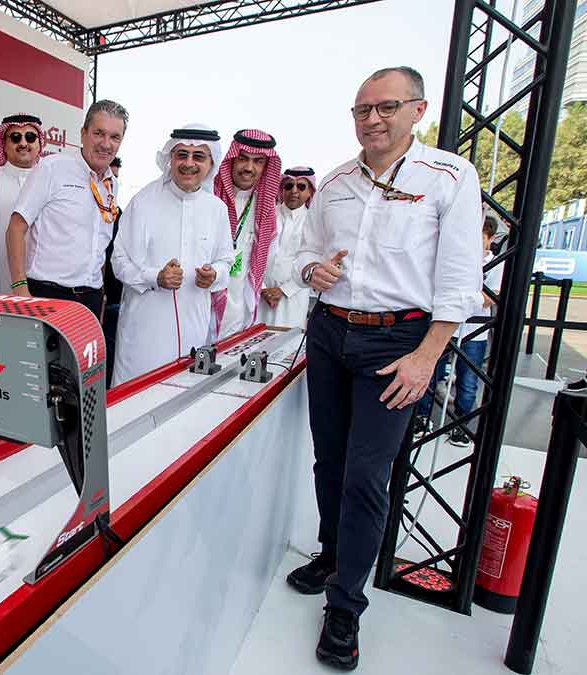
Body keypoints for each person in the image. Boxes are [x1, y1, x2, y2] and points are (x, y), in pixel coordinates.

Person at [287, 66, 483, 670]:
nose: (372, 119)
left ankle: (345, 604)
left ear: (417, 110)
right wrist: (309, 272)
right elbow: (303, 251)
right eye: (361, 109)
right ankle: (331, 554)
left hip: (396, 344)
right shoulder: (337, 180)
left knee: (368, 475)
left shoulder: (450, 176)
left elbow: (459, 280)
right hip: (328, 333)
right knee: (330, 458)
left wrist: (427, 356)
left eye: (385, 107)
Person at [111, 125, 234, 385]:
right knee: (135, 403)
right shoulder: (143, 202)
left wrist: (214, 275)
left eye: (198, 156)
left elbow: (226, 261)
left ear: (210, 163)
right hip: (144, 334)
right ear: (170, 159)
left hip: (194, 330)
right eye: (182, 155)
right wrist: (155, 276)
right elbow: (118, 262)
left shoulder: (217, 209)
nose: (189, 163)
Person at [6, 100, 128, 319]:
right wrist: (20, 289)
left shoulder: (112, 184)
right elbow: (16, 228)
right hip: (46, 295)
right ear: (83, 134)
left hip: (90, 299)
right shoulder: (52, 168)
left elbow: (98, 246)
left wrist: (99, 299)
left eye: (114, 137)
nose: (106, 144)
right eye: (99, 133)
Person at [412, 213, 504, 445]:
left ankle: (461, 425)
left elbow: (490, 297)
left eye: (480, 236)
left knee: (468, 380)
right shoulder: (458, 260)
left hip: (475, 331)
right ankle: (422, 418)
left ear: (490, 238)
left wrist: (460, 299)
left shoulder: (496, 264)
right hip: (444, 328)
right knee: (430, 373)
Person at [213, 129, 282, 340]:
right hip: (203, 308)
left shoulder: (266, 210)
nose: (249, 168)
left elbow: (268, 260)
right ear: (232, 160)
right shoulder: (210, 197)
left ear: (266, 166)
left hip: (239, 311)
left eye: (258, 161)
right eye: (243, 159)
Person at [0, 113, 45, 293]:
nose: (23, 143)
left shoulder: (50, 181)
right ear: (4, 144)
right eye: (15, 137)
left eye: (30, 137)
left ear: (39, 143)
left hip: (42, 282)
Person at [259, 166, 316, 329]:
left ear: (310, 191)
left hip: (293, 298)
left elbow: (314, 262)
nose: (294, 191)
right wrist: (263, 288)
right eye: (289, 186)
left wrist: (283, 290)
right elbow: (252, 253)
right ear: (281, 189)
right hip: (259, 295)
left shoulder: (315, 222)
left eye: (301, 186)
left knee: (286, 347)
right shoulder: (266, 215)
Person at [103, 155, 125, 386]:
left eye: (115, 179)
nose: (112, 184)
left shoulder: (121, 214)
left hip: (115, 303)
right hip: (91, 301)